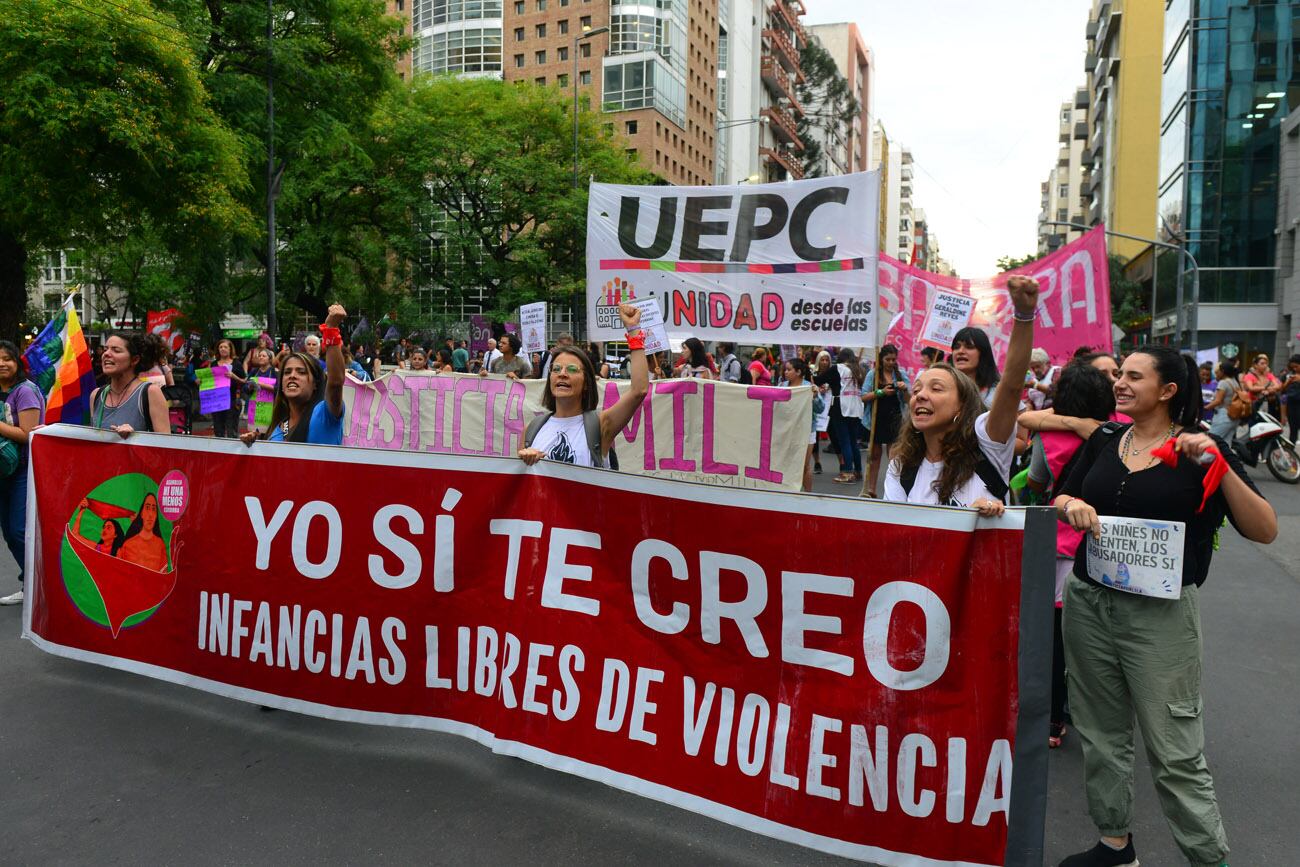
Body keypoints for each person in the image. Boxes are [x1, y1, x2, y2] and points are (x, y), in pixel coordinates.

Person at [1053, 346, 1276, 867]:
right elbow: (1061, 496)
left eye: (1134, 376)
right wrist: (1075, 505)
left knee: (1174, 748)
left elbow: (1265, 529)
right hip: (1089, 602)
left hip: (1160, 617)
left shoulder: (1203, 448)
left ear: (1168, 390)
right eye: (1119, 375)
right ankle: (1115, 846)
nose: (1120, 384)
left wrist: (1219, 468)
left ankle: (1208, 858)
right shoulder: (1109, 438)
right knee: (1101, 734)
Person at [882, 276, 1039, 513]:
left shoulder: (987, 447)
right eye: (916, 390)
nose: (921, 396)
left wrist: (1024, 315)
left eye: (936, 389)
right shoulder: (900, 469)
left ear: (962, 406)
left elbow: (1011, 387)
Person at [1022, 361, 1115, 750]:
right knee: (1099, 636)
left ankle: (1054, 720)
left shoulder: (1048, 436)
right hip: (1105, 543)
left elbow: (1036, 481)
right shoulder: (1120, 432)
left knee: (1055, 640)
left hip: (1059, 544)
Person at [518, 305, 647, 468]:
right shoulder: (531, 430)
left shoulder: (601, 425)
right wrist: (525, 461)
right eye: (556, 369)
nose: (562, 374)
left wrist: (633, 329)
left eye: (572, 369)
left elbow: (639, 391)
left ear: (586, 383)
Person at [241, 306, 348, 446]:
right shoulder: (280, 428)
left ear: (315, 383)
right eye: (287, 372)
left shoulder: (324, 414)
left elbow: (335, 383)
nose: (292, 376)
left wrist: (331, 329)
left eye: (301, 372)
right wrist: (254, 445)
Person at [0, 340, 46, 605]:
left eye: (7, 358)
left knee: (18, 530)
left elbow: (29, 434)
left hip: (22, 469)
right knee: (8, 530)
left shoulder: (25, 391)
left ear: (17, 362)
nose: (2, 363)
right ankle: (31, 581)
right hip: (2, 471)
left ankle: (39, 582)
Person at [89, 332, 171, 438]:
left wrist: (135, 438)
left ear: (134, 360)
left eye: (116, 350)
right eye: (106, 349)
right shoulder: (96, 395)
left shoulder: (150, 393)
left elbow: (166, 447)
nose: (106, 354)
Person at [861, 344, 909, 498]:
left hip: (895, 419)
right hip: (876, 419)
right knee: (874, 456)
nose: (891, 362)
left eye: (893, 359)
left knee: (894, 457)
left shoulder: (901, 374)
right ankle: (871, 489)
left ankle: (895, 491)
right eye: (887, 359)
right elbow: (863, 396)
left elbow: (909, 400)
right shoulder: (873, 374)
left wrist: (904, 389)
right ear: (881, 359)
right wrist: (880, 392)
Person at [782, 356, 821, 492]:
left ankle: (808, 495)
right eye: (785, 370)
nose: (785, 372)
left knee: (804, 465)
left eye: (788, 370)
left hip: (807, 430)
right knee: (787, 463)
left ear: (798, 372)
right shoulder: (782, 386)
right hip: (787, 429)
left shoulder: (809, 387)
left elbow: (820, 409)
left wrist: (815, 397)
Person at [112, 492, 170, 572]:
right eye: (147, 507)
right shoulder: (127, 545)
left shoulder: (160, 545)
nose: (150, 514)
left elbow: (164, 577)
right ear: (142, 514)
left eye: (154, 509)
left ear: (156, 516)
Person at [950, 326, 1000, 406]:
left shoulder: (999, 392)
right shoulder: (945, 388)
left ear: (983, 353)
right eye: (956, 347)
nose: (960, 351)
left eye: (969, 347)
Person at [208, 338, 247, 439]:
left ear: (230, 349)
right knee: (218, 429)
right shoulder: (213, 364)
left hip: (232, 400)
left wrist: (234, 377)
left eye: (225, 347)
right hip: (217, 400)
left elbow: (244, 381)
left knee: (231, 430)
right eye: (220, 347)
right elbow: (209, 382)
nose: (223, 349)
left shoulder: (236, 364)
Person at [1204, 361, 1241, 440]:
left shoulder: (1223, 382)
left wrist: (1205, 408)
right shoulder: (1235, 382)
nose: (1217, 374)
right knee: (1225, 445)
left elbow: (1218, 401)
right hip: (1234, 417)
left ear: (1223, 371)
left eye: (1218, 371)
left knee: (1211, 442)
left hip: (1223, 416)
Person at [1282, 354, 1300, 441]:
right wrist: (1288, 382)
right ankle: (1291, 451)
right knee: (1293, 430)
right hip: (1291, 405)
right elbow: (1282, 390)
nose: (1295, 369)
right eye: (1293, 367)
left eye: (1296, 366)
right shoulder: (1289, 375)